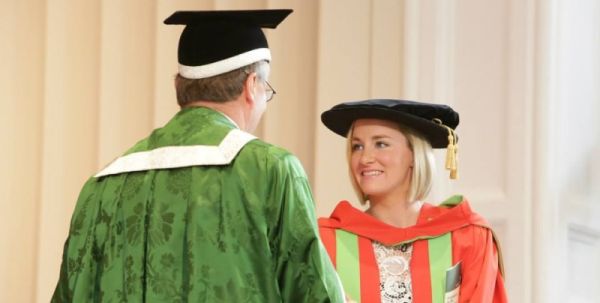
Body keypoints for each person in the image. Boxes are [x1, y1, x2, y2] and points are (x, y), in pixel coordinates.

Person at [52, 9, 344, 302]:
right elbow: (316, 291)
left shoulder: (101, 186)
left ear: (179, 86)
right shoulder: (270, 170)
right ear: (251, 86)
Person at [318, 99, 507, 303]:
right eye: (357, 146)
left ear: (414, 155)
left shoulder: (467, 236)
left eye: (381, 144)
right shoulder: (325, 243)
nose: (365, 158)